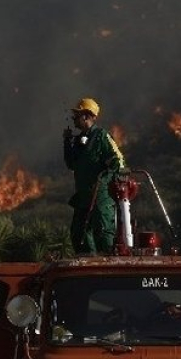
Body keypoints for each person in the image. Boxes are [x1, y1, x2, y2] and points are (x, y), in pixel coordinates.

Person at [63, 97, 126, 254]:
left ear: (86, 116)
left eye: (76, 115)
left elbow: (119, 160)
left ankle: (109, 265)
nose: (74, 119)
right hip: (84, 195)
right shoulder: (79, 141)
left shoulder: (101, 136)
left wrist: (107, 173)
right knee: (79, 233)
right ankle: (88, 263)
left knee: (103, 231)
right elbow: (71, 164)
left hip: (101, 194)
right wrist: (67, 143)